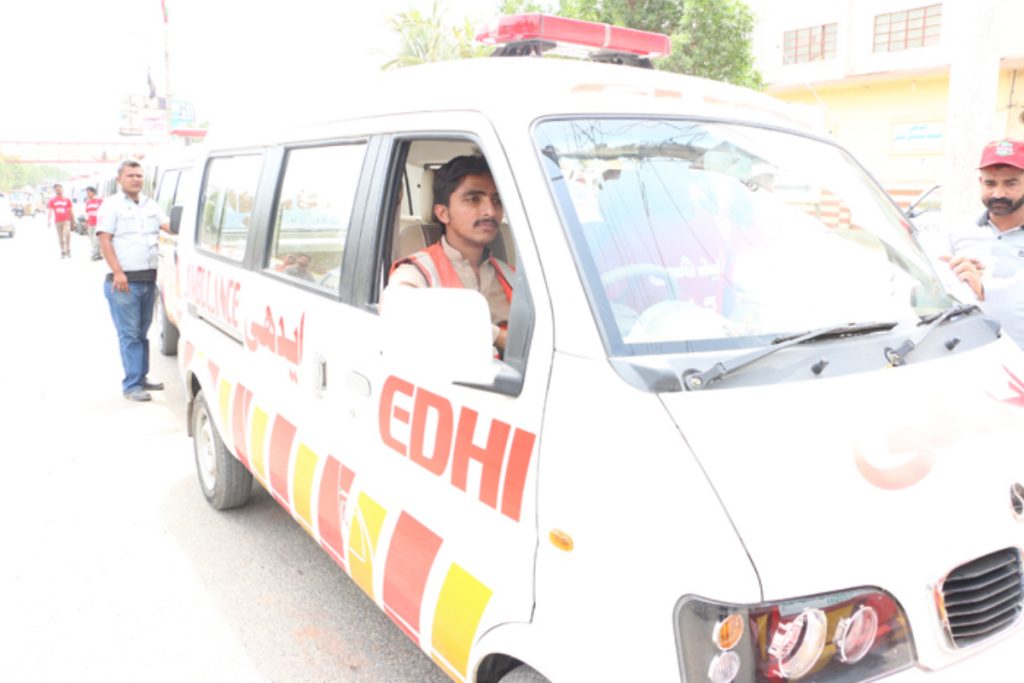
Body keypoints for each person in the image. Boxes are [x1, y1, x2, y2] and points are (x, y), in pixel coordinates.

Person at [387, 155, 514, 354]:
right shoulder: (418, 271)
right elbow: (396, 308)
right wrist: (497, 336)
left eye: (496, 200)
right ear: (443, 213)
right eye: (473, 199)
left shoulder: (511, 274)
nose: (490, 210)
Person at [97, 160, 170, 401]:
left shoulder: (150, 204)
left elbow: (169, 226)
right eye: (131, 175)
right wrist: (118, 272)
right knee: (129, 335)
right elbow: (105, 240)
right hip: (124, 283)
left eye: (139, 175)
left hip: (148, 280)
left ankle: (141, 377)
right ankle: (131, 385)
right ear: (120, 179)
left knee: (141, 333)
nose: (136, 179)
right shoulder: (112, 205)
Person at [943, 139, 1024, 348]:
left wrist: (984, 289)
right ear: (980, 182)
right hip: (971, 358)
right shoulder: (958, 233)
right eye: (990, 183)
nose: (998, 193)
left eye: (1011, 183)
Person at [47, 183, 74, 258]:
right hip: (58, 221)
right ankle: (63, 251)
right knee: (61, 237)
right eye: (57, 189)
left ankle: (68, 249)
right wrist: (49, 220)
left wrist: (73, 221)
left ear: (62, 189)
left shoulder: (67, 200)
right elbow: (50, 211)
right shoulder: (52, 200)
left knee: (67, 233)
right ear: (55, 190)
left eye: (60, 188)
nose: (58, 190)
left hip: (66, 220)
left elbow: (71, 211)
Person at [84, 186, 104, 261]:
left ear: (93, 192)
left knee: (96, 239)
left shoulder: (100, 201)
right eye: (87, 193)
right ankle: (98, 254)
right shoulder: (87, 202)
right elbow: (87, 212)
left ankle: (95, 254)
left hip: (98, 223)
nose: (87, 194)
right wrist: (86, 222)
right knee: (92, 239)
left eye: (89, 192)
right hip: (90, 223)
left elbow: (104, 211)